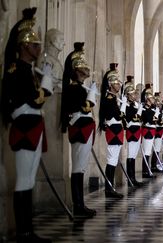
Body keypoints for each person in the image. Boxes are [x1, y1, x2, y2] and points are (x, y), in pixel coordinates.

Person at [1, 8, 53, 243]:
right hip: (24, 127)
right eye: (34, 46)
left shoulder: (29, 72)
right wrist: (46, 85)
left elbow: (35, 96)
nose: (38, 49)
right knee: (23, 180)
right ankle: (22, 231)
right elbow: (34, 98)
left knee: (29, 179)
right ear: (23, 47)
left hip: (33, 125)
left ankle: (28, 229)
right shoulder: (16, 70)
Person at [60, 42, 97, 218]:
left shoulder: (81, 88)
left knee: (80, 168)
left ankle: (80, 204)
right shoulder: (74, 88)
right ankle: (78, 205)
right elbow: (84, 108)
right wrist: (91, 98)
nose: (87, 70)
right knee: (78, 168)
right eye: (83, 67)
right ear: (76, 70)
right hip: (80, 128)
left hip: (84, 128)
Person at [99, 63, 124, 199]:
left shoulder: (114, 99)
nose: (119, 85)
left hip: (117, 130)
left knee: (113, 160)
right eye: (116, 83)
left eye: (119, 83)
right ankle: (109, 188)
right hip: (113, 130)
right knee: (111, 160)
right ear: (110, 84)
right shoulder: (109, 99)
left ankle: (110, 187)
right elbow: (115, 115)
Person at [123, 76, 145, 187]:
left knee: (134, 155)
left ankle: (133, 178)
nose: (135, 96)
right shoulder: (126, 106)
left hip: (137, 130)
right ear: (128, 95)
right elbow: (130, 118)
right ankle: (130, 178)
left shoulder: (135, 105)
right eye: (133, 94)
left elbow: (139, 118)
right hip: (132, 131)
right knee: (130, 155)